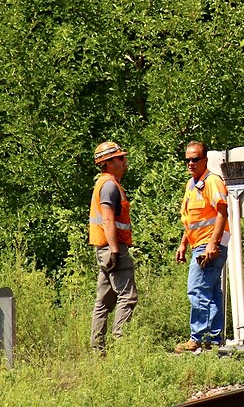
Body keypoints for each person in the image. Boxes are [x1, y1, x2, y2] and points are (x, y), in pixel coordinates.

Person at [174, 140, 230, 353]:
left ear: (205, 160)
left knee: (196, 289)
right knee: (212, 291)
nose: (190, 163)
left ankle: (196, 337)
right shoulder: (192, 184)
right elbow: (192, 219)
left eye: (195, 159)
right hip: (199, 243)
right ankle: (214, 340)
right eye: (187, 159)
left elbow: (222, 212)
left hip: (209, 244)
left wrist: (213, 244)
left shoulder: (211, 181)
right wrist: (183, 243)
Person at [88, 140, 138, 352]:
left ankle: (97, 349)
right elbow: (108, 220)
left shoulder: (105, 183)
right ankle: (122, 345)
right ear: (108, 163)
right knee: (128, 296)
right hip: (112, 249)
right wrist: (116, 251)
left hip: (104, 249)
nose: (125, 161)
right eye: (120, 158)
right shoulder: (109, 186)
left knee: (104, 300)